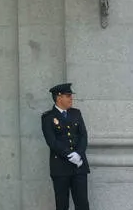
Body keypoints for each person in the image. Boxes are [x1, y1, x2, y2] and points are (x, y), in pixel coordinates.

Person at [41, 82, 90, 210]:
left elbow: (83, 135)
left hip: (79, 165)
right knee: (62, 205)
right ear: (59, 98)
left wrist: (78, 153)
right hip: (60, 167)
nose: (71, 98)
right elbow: (52, 141)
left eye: (70, 95)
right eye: (68, 95)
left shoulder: (76, 113)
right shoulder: (48, 117)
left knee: (83, 204)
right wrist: (69, 155)